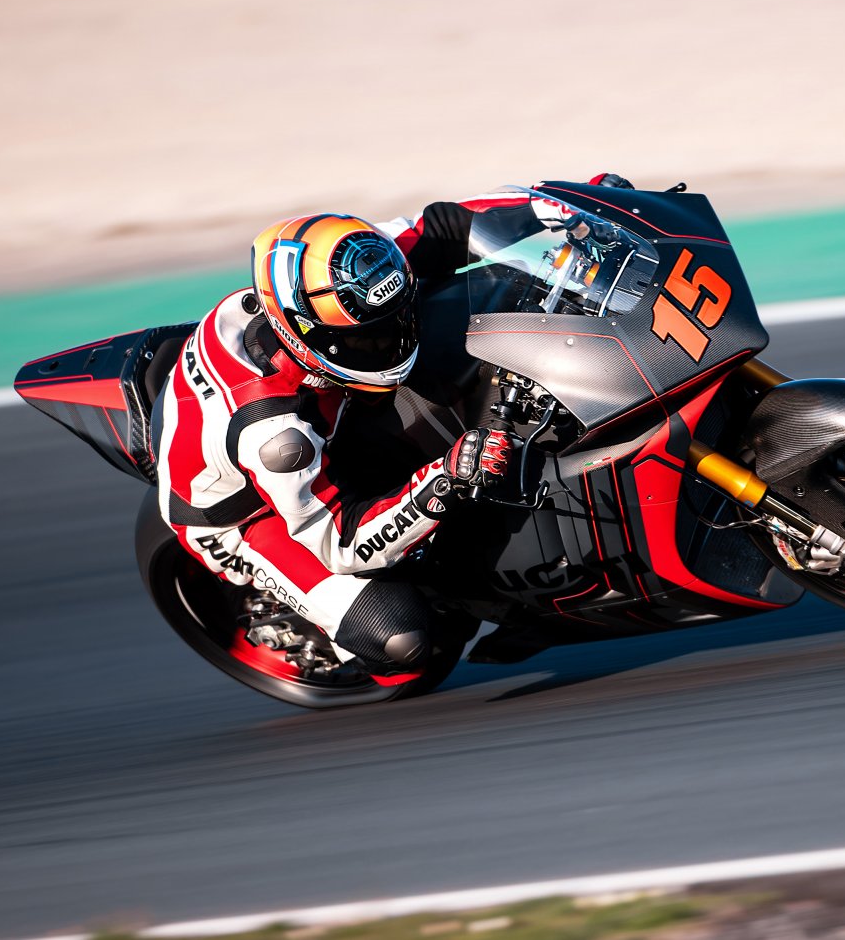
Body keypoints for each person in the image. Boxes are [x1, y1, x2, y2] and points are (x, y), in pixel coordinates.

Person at [153, 175, 632, 679]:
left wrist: (560, 208)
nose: (395, 339)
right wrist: (444, 478)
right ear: (311, 340)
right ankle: (337, 624)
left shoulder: (352, 270)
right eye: (371, 340)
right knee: (404, 639)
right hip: (249, 518)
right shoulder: (277, 436)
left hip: (326, 411)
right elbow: (340, 541)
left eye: (395, 321)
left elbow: (444, 227)